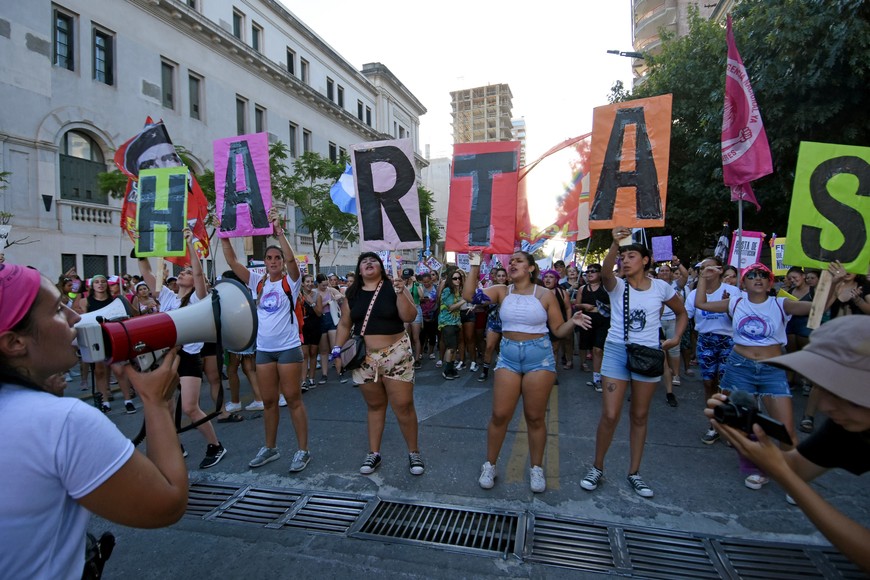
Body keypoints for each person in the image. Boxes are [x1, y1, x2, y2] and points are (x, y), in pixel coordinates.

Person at [0, 263, 188, 577]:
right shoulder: (62, 423)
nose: (74, 317)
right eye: (58, 311)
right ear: (14, 343)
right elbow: (168, 503)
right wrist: (156, 403)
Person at [704, 316, 870, 574]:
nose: (825, 406)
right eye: (822, 387)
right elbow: (797, 468)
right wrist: (746, 432)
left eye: (844, 393)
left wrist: (781, 473)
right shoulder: (848, 427)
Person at [694, 261, 842, 490]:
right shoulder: (735, 302)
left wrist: (832, 282)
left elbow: (818, 308)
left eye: (763, 275)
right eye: (752, 275)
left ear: (770, 282)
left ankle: (793, 479)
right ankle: (759, 467)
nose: (758, 278)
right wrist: (704, 276)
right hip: (739, 366)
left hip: (772, 368)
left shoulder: (781, 304)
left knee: (785, 429)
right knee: (745, 423)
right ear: (743, 282)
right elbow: (701, 303)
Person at [464, 251, 591, 493]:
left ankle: (536, 468)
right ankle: (490, 465)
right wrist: (474, 264)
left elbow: (558, 330)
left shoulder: (544, 295)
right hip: (509, 355)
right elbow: (469, 296)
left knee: (534, 417)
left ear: (531, 268)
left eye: (518, 261)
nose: (512, 263)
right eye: (510, 261)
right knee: (500, 415)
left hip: (539, 357)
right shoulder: (502, 290)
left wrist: (572, 322)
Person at [580, 228, 687, 498]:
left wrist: (675, 338)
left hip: (648, 354)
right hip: (616, 351)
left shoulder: (661, 287)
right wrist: (615, 244)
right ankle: (597, 467)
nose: (625, 261)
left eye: (631, 256)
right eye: (622, 257)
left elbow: (682, 313)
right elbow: (605, 273)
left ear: (646, 260)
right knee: (610, 414)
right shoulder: (617, 285)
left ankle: (634, 473)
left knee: (639, 416)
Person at [220, 208, 311, 473]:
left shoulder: (290, 282)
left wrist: (280, 232)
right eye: (269, 258)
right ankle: (270, 448)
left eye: (277, 258)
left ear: (282, 262)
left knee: (293, 399)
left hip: (288, 350)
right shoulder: (258, 283)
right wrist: (224, 235)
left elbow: (294, 263)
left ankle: (303, 451)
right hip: (264, 352)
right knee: (269, 402)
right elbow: (233, 263)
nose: (273, 261)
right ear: (264, 261)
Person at [139, 230, 227, 469]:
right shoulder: (167, 297)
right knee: (165, 406)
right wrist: (141, 250)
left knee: (189, 407)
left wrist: (189, 244)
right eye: (183, 271)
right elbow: (147, 274)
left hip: (188, 359)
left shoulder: (200, 299)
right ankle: (175, 446)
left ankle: (216, 446)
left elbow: (198, 272)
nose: (184, 273)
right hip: (169, 358)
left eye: (187, 272)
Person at [333, 252, 424, 476]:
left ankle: (413, 452)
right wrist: (337, 349)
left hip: (396, 353)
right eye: (364, 261)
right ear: (359, 269)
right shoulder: (351, 294)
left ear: (382, 267)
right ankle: (374, 453)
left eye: (373, 260)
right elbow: (345, 324)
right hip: (365, 358)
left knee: (403, 406)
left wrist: (401, 292)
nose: (368, 263)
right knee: (374, 406)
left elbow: (410, 316)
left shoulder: (393, 287)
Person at [685, 257, 739, 444]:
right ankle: (713, 424)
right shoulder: (694, 294)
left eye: (710, 268)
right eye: (703, 268)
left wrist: (729, 308)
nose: (706, 271)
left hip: (728, 340)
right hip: (705, 340)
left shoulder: (732, 291)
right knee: (709, 383)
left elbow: (740, 319)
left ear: (719, 270)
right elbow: (686, 316)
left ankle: (728, 424)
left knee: (726, 385)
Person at [84, 274, 138, 414]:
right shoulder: (86, 302)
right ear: (92, 286)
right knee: (100, 372)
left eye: (102, 282)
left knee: (119, 370)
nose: (100, 284)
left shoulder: (114, 300)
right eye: (96, 282)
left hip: (112, 338)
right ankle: (105, 402)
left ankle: (128, 401)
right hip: (95, 339)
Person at [575, 263, 610, 391]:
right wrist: (584, 306)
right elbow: (576, 305)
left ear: (600, 274)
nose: (590, 273)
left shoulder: (606, 287)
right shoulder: (582, 288)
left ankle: (597, 379)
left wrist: (604, 308)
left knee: (598, 349)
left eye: (594, 271)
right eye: (588, 271)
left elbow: (616, 303)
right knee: (585, 345)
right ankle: (585, 365)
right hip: (587, 320)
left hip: (603, 321)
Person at [478, 267, 506, 382]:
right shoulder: (490, 290)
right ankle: (485, 371)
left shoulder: (511, 290)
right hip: (493, 321)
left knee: (504, 349)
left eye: (503, 275)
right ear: (495, 277)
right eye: (499, 276)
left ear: (507, 277)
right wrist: (476, 306)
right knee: (489, 347)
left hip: (506, 324)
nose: (501, 278)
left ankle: (504, 371)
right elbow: (482, 302)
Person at [316, 272, 345, 384]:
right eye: (323, 285)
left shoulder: (330, 290)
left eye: (326, 284)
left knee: (335, 348)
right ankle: (324, 374)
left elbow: (343, 297)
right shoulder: (315, 293)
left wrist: (338, 297)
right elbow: (316, 309)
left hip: (331, 318)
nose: (325, 286)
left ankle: (340, 372)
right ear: (318, 284)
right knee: (323, 350)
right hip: (321, 321)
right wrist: (325, 303)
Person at [438, 268, 465, 379]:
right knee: (451, 347)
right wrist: (464, 300)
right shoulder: (447, 290)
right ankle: (447, 370)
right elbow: (451, 307)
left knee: (454, 347)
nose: (458, 280)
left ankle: (452, 369)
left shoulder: (458, 290)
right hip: (447, 322)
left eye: (459, 278)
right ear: (450, 279)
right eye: (455, 278)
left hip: (456, 322)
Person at [300, 273, 323, 390]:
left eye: (311, 281)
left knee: (313, 353)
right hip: (303, 327)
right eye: (307, 282)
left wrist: (311, 302)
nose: (309, 284)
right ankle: (303, 381)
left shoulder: (317, 295)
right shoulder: (298, 295)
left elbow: (319, 313)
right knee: (304, 354)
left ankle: (312, 379)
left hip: (315, 326)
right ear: (303, 283)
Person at [402, 268, 424, 369]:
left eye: (408, 277)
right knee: (406, 337)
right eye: (405, 277)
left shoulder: (416, 285)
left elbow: (422, 296)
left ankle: (417, 359)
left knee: (416, 337)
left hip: (416, 309)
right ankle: (407, 358)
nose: (407, 279)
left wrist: (416, 282)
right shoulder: (403, 286)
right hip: (405, 310)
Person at [419, 272, 439, 359]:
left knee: (432, 334)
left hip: (433, 314)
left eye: (428, 281)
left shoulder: (436, 288)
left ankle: (431, 352)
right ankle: (420, 352)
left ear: (431, 280)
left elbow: (439, 300)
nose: (426, 284)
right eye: (424, 282)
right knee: (422, 335)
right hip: (422, 315)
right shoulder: (420, 288)